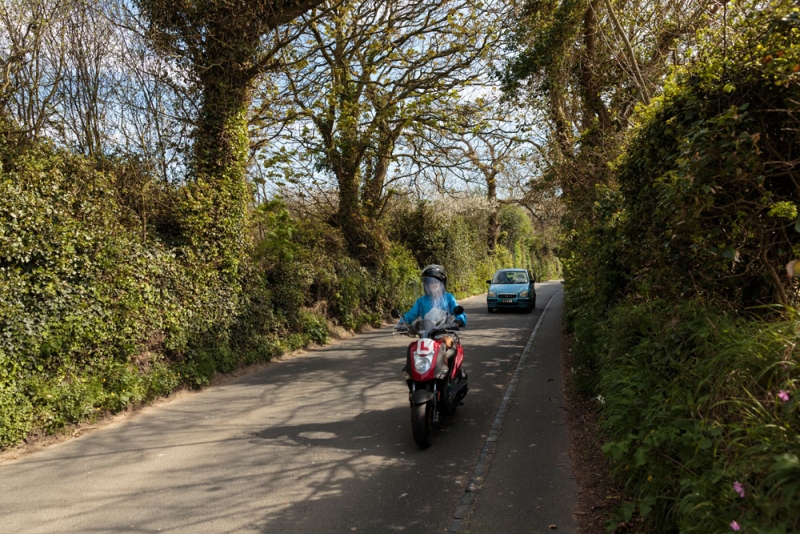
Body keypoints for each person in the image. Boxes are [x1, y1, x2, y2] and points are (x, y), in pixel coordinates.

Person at [402, 264, 467, 329]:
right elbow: (411, 314)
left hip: (446, 331)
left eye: (436, 281)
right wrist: (402, 322)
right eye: (430, 282)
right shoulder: (421, 301)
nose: (434, 284)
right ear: (426, 284)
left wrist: (458, 321)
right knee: (418, 340)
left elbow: (457, 310)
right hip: (426, 333)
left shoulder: (449, 297)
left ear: (441, 283)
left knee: (447, 339)